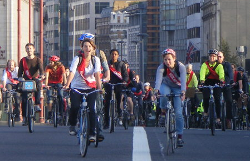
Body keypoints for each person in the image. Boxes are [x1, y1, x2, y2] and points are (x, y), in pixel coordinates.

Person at [64, 38, 103, 141]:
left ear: (93, 48)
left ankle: (92, 133)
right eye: (85, 46)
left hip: (90, 88)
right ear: (82, 48)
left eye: (90, 46)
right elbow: (72, 72)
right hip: (77, 87)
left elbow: (97, 75)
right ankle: (72, 125)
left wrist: (99, 88)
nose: (87, 48)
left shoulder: (96, 60)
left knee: (92, 110)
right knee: (75, 106)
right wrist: (67, 85)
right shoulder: (78, 59)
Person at [154, 48, 186, 147]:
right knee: (163, 95)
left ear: (174, 58)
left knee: (178, 113)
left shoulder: (180, 67)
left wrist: (183, 92)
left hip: (178, 87)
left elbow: (184, 81)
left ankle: (180, 136)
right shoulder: (161, 67)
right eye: (165, 60)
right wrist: (156, 91)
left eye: (169, 59)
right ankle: (163, 113)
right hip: (166, 85)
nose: (167, 62)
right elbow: (158, 81)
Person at [18, 43, 44, 125]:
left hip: (34, 79)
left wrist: (42, 75)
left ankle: (36, 104)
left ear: (33, 49)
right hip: (26, 80)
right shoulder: (23, 60)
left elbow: (41, 70)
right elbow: (20, 72)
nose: (29, 50)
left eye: (30, 48)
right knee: (25, 98)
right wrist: (19, 78)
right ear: (26, 50)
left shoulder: (37, 60)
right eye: (27, 49)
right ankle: (25, 118)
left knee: (38, 86)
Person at [103, 49, 129, 129]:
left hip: (118, 84)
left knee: (118, 100)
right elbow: (102, 73)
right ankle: (106, 122)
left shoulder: (121, 64)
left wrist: (125, 81)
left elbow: (125, 74)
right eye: (112, 54)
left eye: (115, 54)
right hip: (109, 84)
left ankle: (120, 114)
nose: (114, 55)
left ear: (118, 55)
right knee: (107, 103)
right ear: (110, 55)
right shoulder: (107, 64)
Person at [199, 49, 224, 124]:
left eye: (214, 56)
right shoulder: (205, 64)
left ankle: (218, 118)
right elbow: (202, 73)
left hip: (217, 82)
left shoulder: (219, 65)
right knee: (206, 97)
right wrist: (202, 82)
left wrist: (221, 81)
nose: (212, 58)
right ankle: (206, 112)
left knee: (217, 99)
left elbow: (221, 74)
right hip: (207, 82)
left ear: (216, 57)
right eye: (210, 56)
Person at [44, 55, 66, 120]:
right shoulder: (48, 67)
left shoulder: (61, 67)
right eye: (50, 62)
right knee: (49, 97)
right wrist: (46, 85)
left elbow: (64, 76)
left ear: (56, 63)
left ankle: (61, 112)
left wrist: (65, 85)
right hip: (50, 83)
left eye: (52, 62)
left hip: (59, 83)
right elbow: (47, 77)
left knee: (60, 95)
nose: (50, 63)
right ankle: (50, 112)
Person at [217, 51, 234, 128]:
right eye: (217, 56)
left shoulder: (227, 64)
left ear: (223, 57)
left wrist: (231, 80)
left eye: (220, 56)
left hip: (226, 85)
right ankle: (217, 118)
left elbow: (230, 73)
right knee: (216, 99)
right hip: (217, 85)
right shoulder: (215, 65)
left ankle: (228, 120)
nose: (218, 58)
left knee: (229, 101)